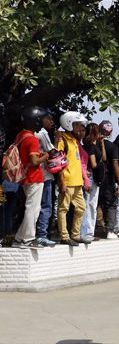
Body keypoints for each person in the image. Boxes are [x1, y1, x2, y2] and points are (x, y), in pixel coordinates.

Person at [10, 106, 50, 248]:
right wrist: (45, 156)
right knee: (33, 209)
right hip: (34, 177)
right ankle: (28, 239)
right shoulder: (32, 139)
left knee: (30, 208)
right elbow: (34, 161)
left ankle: (19, 238)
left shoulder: (21, 135)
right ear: (36, 121)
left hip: (25, 177)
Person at [56, 111, 89, 246]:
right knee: (63, 209)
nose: (80, 128)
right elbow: (58, 162)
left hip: (77, 182)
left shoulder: (74, 141)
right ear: (69, 125)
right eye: (77, 125)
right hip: (68, 182)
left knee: (81, 208)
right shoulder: (62, 140)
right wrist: (62, 182)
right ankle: (64, 236)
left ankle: (75, 234)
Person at [33, 112, 58, 247]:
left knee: (36, 205)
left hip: (35, 175)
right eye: (49, 119)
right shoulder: (42, 133)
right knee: (46, 205)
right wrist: (57, 141)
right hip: (44, 175)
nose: (51, 122)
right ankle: (41, 235)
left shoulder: (31, 132)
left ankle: (34, 234)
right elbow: (53, 151)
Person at [98, 120, 119, 238]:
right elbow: (115, 165)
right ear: (111, 131)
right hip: (108, 178)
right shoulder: (112, 146)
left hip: (95, 177)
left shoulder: (92, 144)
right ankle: (110, 230)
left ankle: (95, 227)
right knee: (111, 204)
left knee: (96, 203)